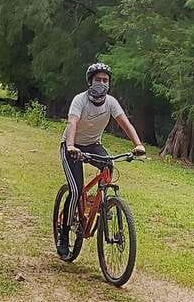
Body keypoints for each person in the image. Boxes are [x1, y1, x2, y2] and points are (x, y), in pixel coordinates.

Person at [58, 62, 146, 256]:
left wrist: (138, 144)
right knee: (75, 190)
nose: (102, 83)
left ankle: (101, 203)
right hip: (72, 146)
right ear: (90, 82)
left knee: (109, 165)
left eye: (105, 80)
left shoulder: (111, 103)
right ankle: (63, 233)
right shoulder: (80, 100)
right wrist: (71, 146)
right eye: (98, 79)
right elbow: (72, 123)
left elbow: (125, 123)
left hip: (93, 145)